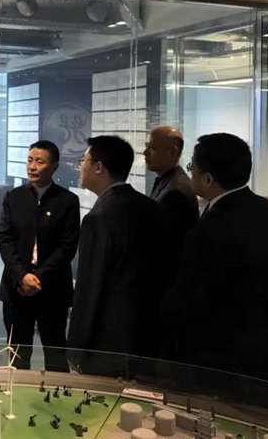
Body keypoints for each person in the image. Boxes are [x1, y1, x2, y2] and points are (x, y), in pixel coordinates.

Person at [161, 133, 268, 411]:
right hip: (264, 352)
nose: (190, 174)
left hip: (222, 362)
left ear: (209, 178)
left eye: (193, 168)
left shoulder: (210, 230)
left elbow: (192, 298)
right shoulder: (266, 210)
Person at [67, 135, 164, 377]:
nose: (80, 167)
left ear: (99, 167)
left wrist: (76, 349)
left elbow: (91, 287)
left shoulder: (99, 217)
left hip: (106, 342)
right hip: (147, 334)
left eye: (83, 161)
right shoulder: (149, 207)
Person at [0, 140, 80, 372]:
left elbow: (67, 247)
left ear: (54, 167)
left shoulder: (67, 200)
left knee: (55, 354)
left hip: (52, 289)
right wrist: (22, 276)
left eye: (39, 162)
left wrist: (38, 278)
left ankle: (57, 393)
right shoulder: (13, 197)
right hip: (17, 288)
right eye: (29, 160)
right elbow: (5, 239)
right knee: (17, 354)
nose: (32, 166)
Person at [143, 126, 199, 301]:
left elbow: (165, 248)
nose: (145, 152)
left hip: (166, 289)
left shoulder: (176, 191)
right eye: (146, 146)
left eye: (151, 148)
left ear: (172, 152)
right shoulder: (167, 181)